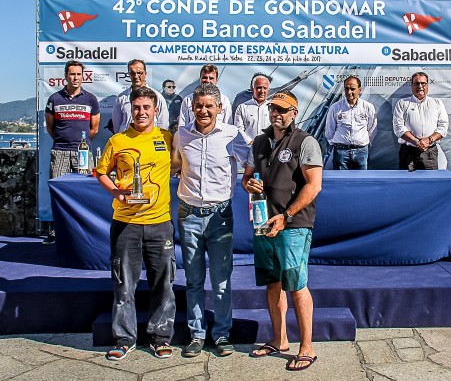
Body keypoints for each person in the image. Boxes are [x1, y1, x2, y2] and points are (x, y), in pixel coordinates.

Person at [242, 90, 323, 371]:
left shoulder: (306, 142)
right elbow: (246, 178)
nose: (276, 113)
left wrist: (287, 216)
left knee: (296, 285)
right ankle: (279, 340)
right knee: (272, 283)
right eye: (273, 108)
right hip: (264, 222)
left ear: (294, 114)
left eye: (282, 110)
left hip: (293, 225)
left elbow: (314, 185)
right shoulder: (259, 141)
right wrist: (249, 184)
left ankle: (307, 347)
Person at [96, 87, 176, 361]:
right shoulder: (118, 140)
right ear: (131, 109)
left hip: (160, 223)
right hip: (126, 223)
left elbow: (181, 163)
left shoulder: (166, 138)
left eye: (146, 107)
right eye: (137, 108)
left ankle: (160, 337)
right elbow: (101, 172)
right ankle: (124, 339)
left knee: (163, 284)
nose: (141, 112)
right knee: (124, 285)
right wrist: (118, 193)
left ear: (156, 110)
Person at [172, 83, 251, 358]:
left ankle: (221, 334)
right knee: (193, 279)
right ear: (192, 107)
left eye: (209, 106)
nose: (203, 110)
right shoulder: (181, 135)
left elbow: (252, 160)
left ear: (219, 108)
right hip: (188, 214)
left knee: (221, 280)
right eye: (199, 105)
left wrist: (248, 179)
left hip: (220, 216)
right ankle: (196, 335)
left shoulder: (232, 134)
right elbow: (173, 165)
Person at [44, 59, 100, 245]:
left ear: (83, 77)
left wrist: (79, 143)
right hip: (60, 151)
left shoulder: (91, 99)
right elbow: (50, 127)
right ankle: (57, 231)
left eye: (78, 74)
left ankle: (84, 232)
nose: (75, 77)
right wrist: (64, 141)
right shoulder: (54, 99)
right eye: (72, 74)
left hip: (83, 153)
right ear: (66, 76)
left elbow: (94, 128)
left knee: (85, 192)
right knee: (58, 193)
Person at [393, 72, 449, 170]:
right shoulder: (402, 103)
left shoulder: (437, 103)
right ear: (412, 85)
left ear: (427, 85)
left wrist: (428, 140)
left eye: (423, 83)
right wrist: (416, 141)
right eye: (416, 83)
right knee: (406, 179)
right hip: (408, 151)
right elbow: (398, 127)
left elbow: (443, 127)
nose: (420, 86)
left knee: (430, 179)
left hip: (430, 152)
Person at [324, 76, 377, 170]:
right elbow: (329, 130)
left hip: (361, 151)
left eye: (352, 89)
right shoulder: (335, 107)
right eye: (346, 89)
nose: (349, 92)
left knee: (361, 178)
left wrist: (363, 141)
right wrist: (337, 144)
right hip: (341, 152)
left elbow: (372, 128)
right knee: (340, 178)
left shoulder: (368, 107)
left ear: (359, 89)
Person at [112, 59, 168, 133]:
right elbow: (117, 125)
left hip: (149, 138)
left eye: (139, 73)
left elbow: (163, 124)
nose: (136, 76)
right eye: (132, 73)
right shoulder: (121, 98)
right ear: (129, 74)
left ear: (145, 74)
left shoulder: (157, 97)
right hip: (126, 138)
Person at [231, 70, 309, 116]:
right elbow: (233, 114)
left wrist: (299, 78)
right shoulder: (240, 96)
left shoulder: (240, 95)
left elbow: (284, 89)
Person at [234, 74, 271, 144]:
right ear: (253, 88)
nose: (262, 91)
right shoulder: (242, 107)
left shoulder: (273, 108)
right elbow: (238, 129)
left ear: (268, 90)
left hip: (269, 148)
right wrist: (250, 142)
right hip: (247, 148)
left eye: (265, 88)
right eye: (259, 88)